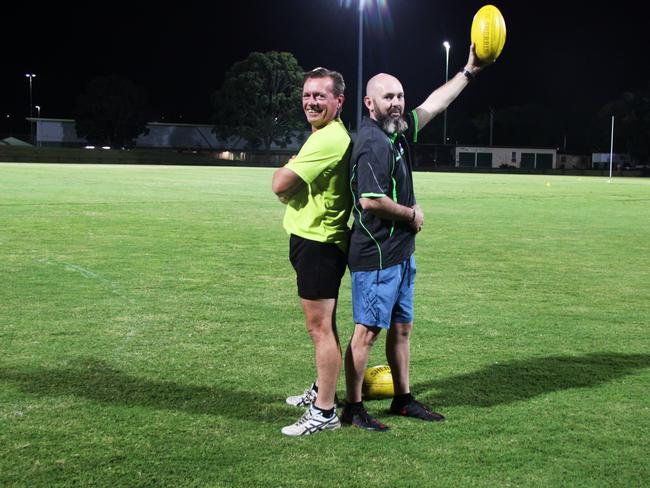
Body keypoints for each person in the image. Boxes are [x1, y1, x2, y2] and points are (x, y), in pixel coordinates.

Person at [341, 45, 487, 431]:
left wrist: (468, 71)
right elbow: (371, 201)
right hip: (377, 255)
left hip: (401, 253)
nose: (397, 103)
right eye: (388, 97)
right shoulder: (372, 142)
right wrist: (412, 215)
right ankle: (353, 409)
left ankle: (403, 399)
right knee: (367, 333)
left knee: (401, 328)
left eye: (400, 96)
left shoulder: (398, 133)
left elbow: (434, 104)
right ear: (369, 103)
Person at [271, 67, 352, 436]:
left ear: (339, 101)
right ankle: (324, 390)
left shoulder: (328, 139)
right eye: (307, 95)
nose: (311, 101)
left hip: (319, 244)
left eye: (320, 95)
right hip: (312, 239)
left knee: (319, 328)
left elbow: (280, 185)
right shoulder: (322, 134)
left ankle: (324, 412)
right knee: (326, 326)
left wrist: (287, 170)